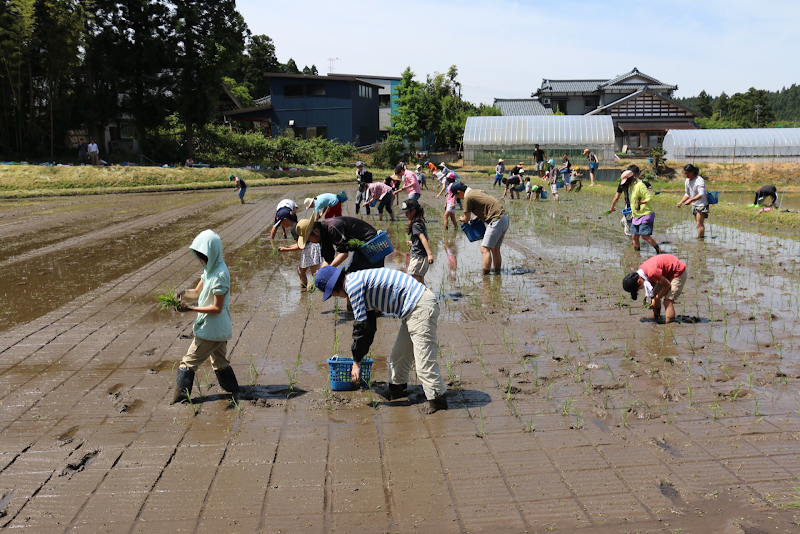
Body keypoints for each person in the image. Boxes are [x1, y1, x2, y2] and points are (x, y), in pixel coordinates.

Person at [314, 265, 448, 413]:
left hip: (420, 306)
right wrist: (359, 356)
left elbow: (361, 328)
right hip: (412, 310)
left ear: (334, 288)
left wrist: (356, 362)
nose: (336, 296)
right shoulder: (356, 280)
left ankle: (437, 400)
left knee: (424, 362)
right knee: (399, 357)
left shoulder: (353, 287)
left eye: (332, 294)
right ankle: (397, 391)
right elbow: (369, 326)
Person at [172, 230, 240, 404]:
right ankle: (235, 391)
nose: (201, 261)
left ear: (212, 254)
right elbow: (196, 292)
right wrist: (182, 293)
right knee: (220, 363)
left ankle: (179, 399)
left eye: (203, 257)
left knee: (188, 363)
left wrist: (191, 309)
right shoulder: (211, 268)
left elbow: (217, 307)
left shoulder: (219, 275)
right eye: (199, 257)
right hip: (219, 329)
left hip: (211, 329)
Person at [452, 182, 509, 275]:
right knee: (495, 249)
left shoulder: (468, 197)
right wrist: (476, 218)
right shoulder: (477, 191)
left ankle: (485, 276)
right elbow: (484, 206)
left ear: (459, 192)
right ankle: (497, 273)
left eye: (456, 195)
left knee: (484, 249)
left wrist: (461, 219)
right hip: (504, 218)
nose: (458, 198)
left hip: (496, 220)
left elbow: (466, 219)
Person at [295, 215, 382, 273]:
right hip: (361, 248)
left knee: (366, 277)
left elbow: (343, 253)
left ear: (316, 231)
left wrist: (327, 271)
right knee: (351, 275)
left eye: (309, 239)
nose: (311, 242)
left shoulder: (333, 228)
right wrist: (318, 276)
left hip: (372, 243)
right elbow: (328, 259)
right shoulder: (322, 234)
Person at [622, 254, 687, 324]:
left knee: (667, 301)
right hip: (666, 272)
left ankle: (670, 324)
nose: (641, 289)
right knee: (654, 295)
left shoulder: (651, 272)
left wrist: (656, 298)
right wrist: (648, 296)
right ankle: (657, 317)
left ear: (639, 281)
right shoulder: (642, 273)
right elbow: (652, 283)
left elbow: (667, 285)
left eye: (639, 289)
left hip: (677, 271)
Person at [628, 171, 663, 254]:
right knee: (634, 236)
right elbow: (633, 203)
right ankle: (637, 254)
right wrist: (633, 214)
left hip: (646, 214)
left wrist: (642, 202)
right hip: (636, 215)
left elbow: (649, 197)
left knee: (644, 236)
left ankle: (659, 251)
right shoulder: (630, 188)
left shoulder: (640, 185)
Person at [401, 199, 433, 284]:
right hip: (421, 256)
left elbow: (423, 239)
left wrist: (429, 254)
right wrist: (414, 242)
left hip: (418, 257)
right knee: (419, 281)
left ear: (413, 211)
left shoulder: (415, 225)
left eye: (407, 213)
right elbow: (425, 238)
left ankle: (421, 292)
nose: (406, 215)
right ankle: (425, 292)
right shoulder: (420, 222)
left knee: (414, 280)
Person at [677, 164, 709, 239]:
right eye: (685, 173)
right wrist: (681, 202)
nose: (686, 175)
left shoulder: (699, 180)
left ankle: (700, 240)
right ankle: (701, 238)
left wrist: (691, 200)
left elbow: (701, 194)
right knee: (698, 223)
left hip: (702, 204)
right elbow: (687, 194)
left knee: (699, 223)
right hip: (694, 204)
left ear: (692, 172)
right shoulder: (687, 181)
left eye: (687, 173)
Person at [609, 166, 638, 236]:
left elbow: (616, 197)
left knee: (628, 232)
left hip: (631, 208)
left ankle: (634, 242)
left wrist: (612, 208)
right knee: (623, 222)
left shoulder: (626, 183)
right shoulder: (639, 183)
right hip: (635, 207)